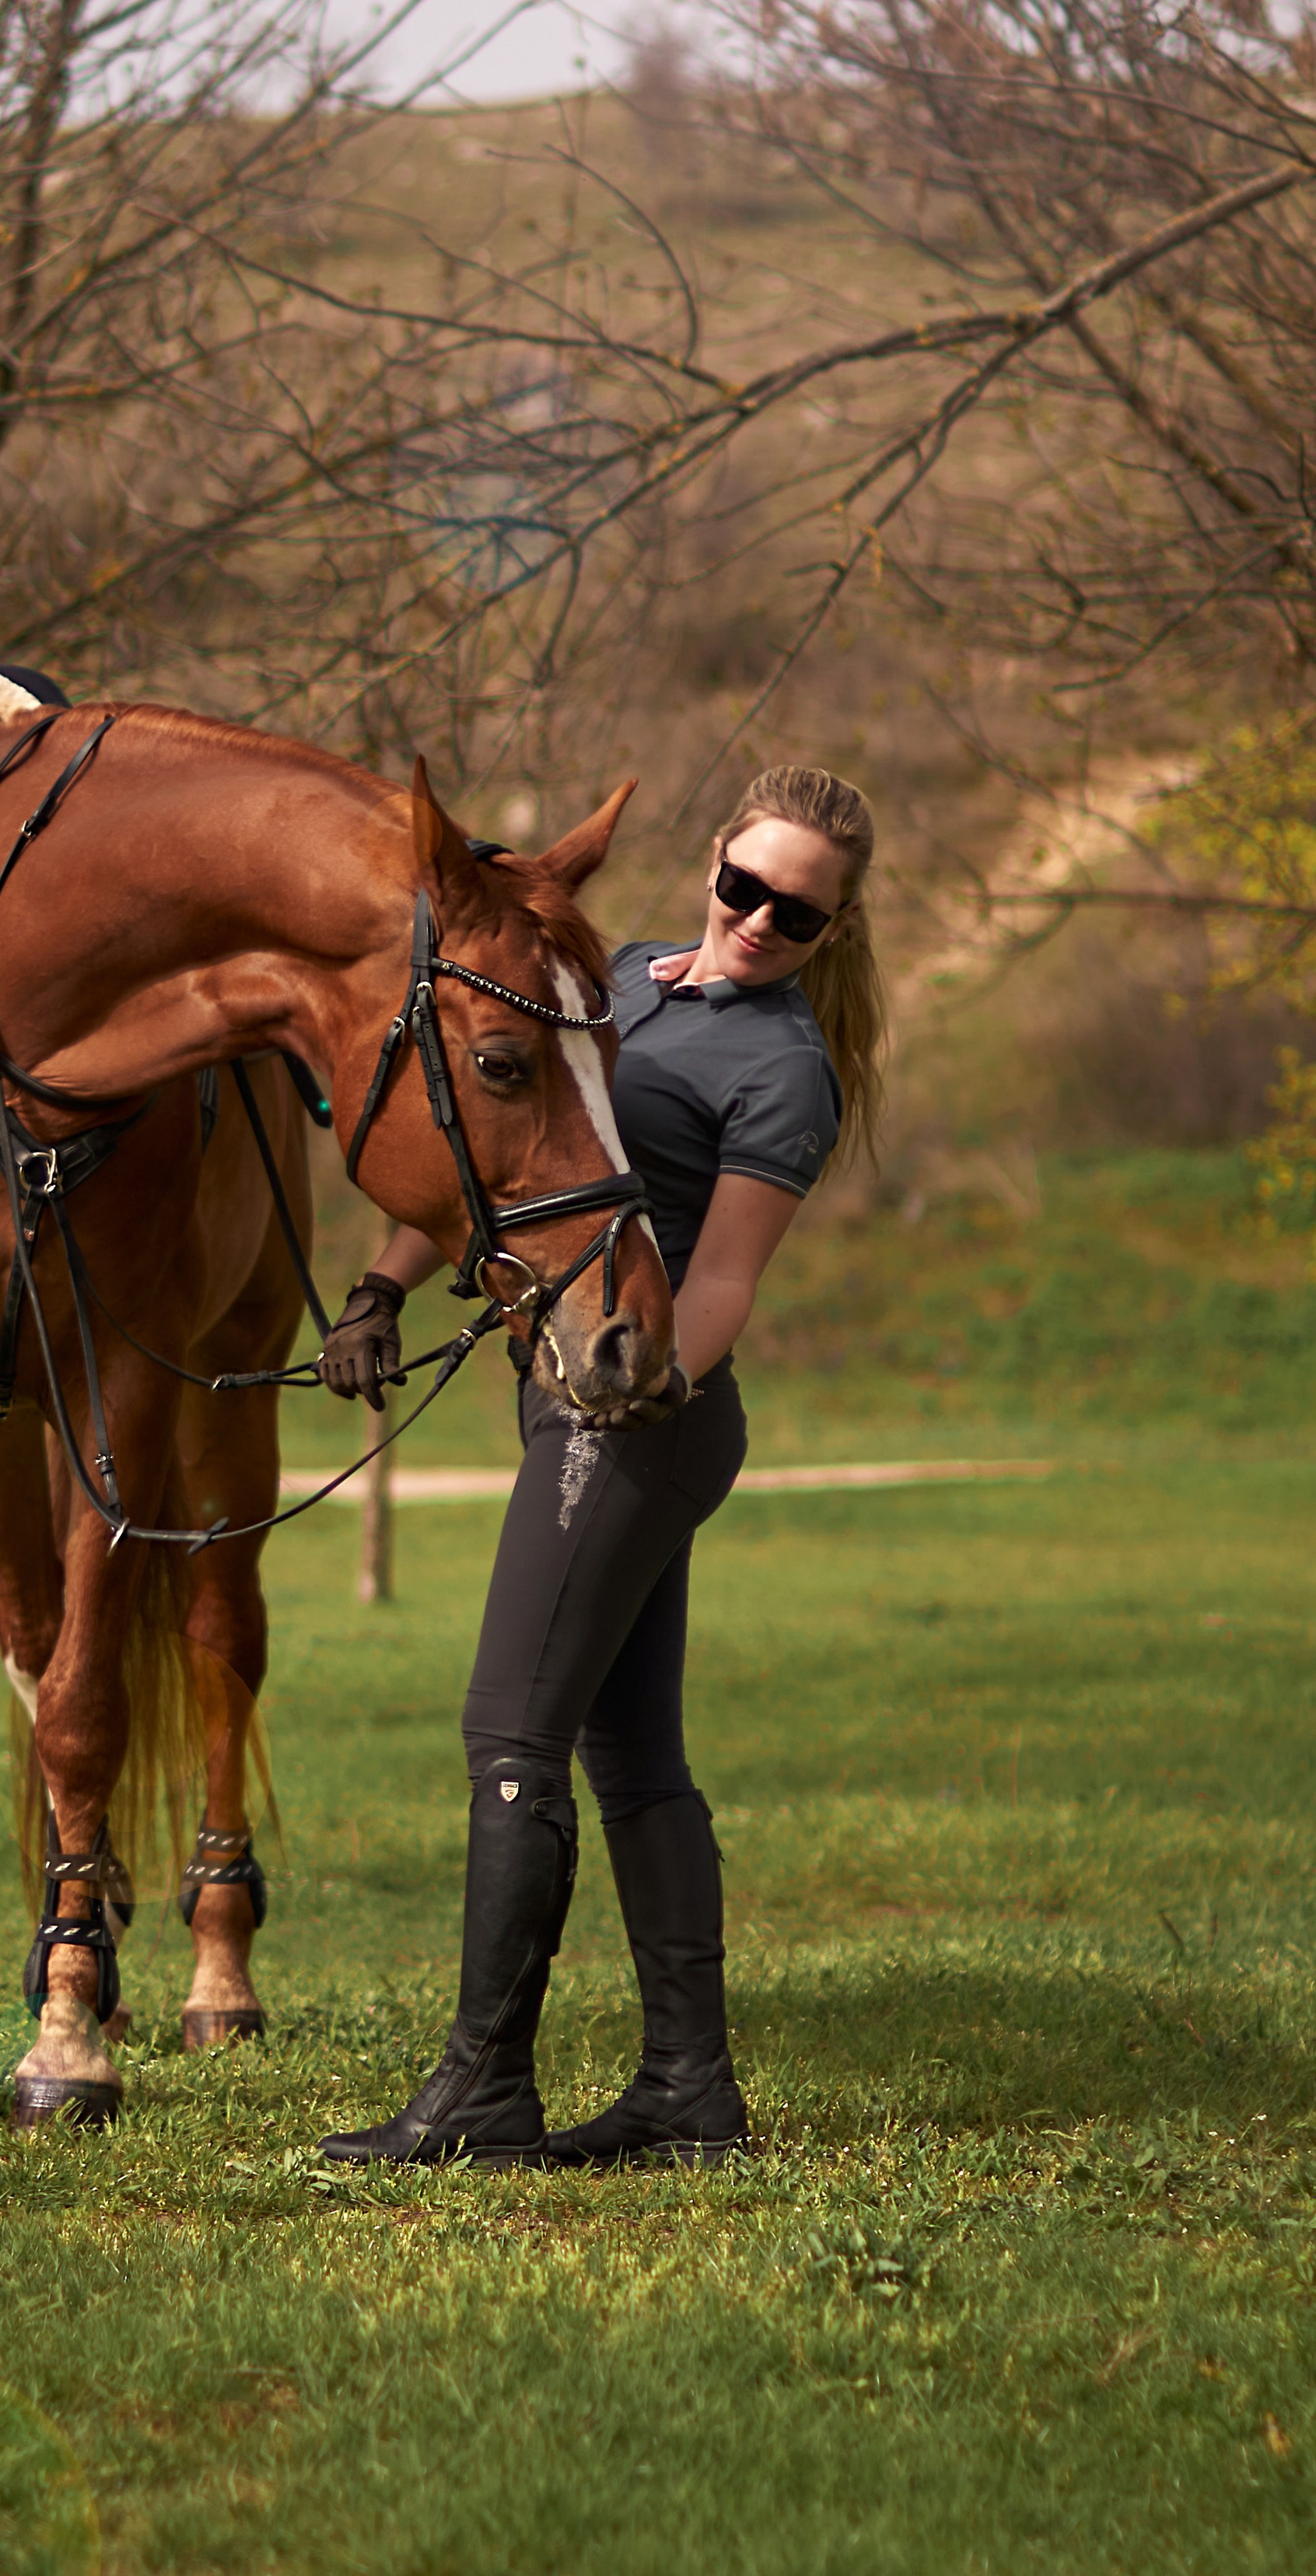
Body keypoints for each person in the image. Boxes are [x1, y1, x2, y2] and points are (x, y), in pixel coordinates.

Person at [314, 765, 887, 2169]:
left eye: (798, 914)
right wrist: (384, 1287)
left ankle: (483, 2092)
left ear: (834, 928)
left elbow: (729, 1277)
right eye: (744, 887)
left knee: (512, 1735)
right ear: (712, 864)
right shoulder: (619, 974)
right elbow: (495, 1150)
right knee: (633, 1756)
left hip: (642, 1413)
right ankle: (691, 2091)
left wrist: (641, 1384)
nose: (759, 921)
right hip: (568, 1394)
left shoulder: (785, 1067)